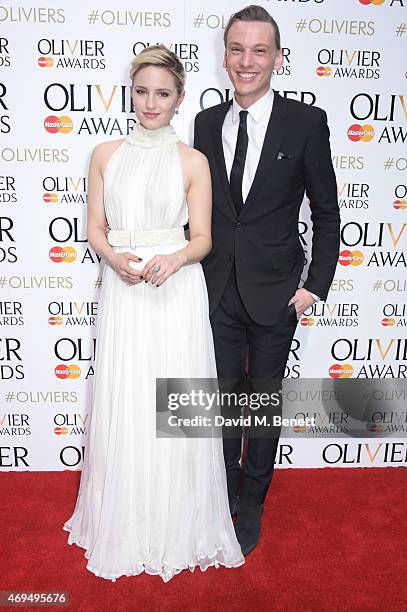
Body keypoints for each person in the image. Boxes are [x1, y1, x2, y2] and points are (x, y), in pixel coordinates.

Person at [63, 45, 244, 582]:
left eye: (162, 93)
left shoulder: (193, 161)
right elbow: (96, 228)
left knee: (172, 405)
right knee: (128, 403)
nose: (150, 102)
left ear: (179, 98)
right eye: (141, 91)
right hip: (123, 290)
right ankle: (125, 524)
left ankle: (177, 527)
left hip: (173, 292)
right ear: (130, 93)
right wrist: (115, 258)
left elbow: (205, 238)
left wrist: (175, 258)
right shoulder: (104, 154)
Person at [194, 5, 340, 556]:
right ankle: (225, 493)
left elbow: (327, 213)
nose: (246, 61)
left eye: (259, 50)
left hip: (278, 291)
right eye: (237, 49)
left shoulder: (306, 122)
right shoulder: (206, 123)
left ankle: (252, 501)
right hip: (215, 289)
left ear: (277, 57)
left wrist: (314, 287)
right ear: (224, 55)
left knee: (263, 401)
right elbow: (203, 210)